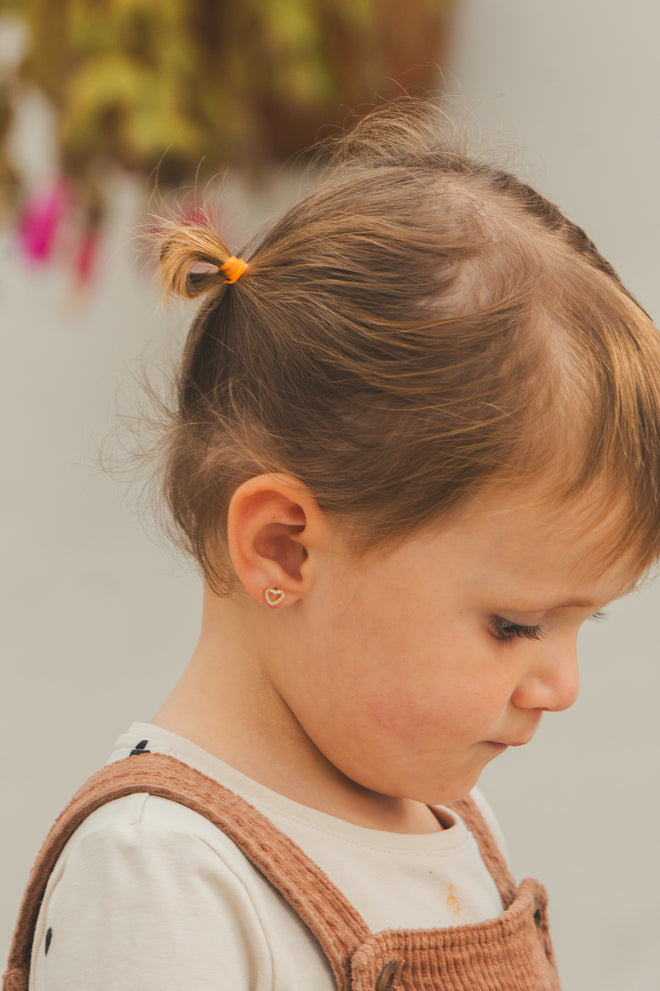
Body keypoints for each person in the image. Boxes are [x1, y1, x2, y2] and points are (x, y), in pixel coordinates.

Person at [6, 102, 660, 991]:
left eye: (584, 621)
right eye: (515, 624)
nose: (562, 685)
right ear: (283, 548)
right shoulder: (161, 874)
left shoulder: (457, 824)